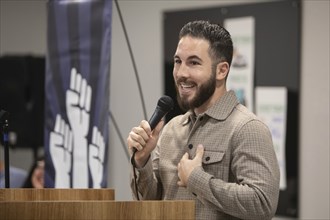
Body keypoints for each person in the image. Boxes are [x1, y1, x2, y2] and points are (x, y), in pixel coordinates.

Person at [127, 20, 280, 220]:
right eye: (177, 61)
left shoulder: (247, 128)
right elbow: (149, 203)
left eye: (194, 62)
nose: (181, 73)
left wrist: (196, 180)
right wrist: (141, 161)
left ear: (221, 70)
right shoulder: (172, 128)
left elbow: (263, 204)